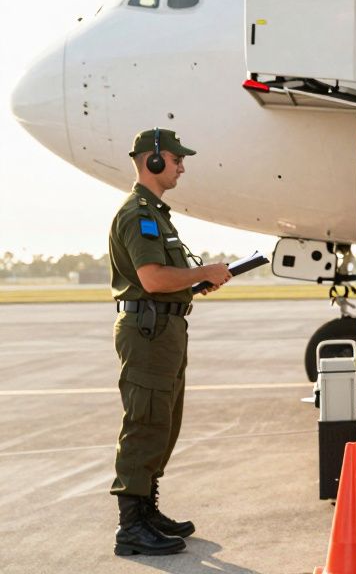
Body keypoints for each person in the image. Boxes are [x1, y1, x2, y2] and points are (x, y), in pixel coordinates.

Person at [109, 129, 232, 556]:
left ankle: (147, 511)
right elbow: (152, 279)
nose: (182, 168)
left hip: (164, 330)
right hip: (149, 332)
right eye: (177, 160)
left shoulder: (157, 215)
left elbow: (165, 280)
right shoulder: (138, 214)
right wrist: (202, 272)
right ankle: (131, 527)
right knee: (145, 422)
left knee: (163, 422)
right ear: (154, 160)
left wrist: (194, 284)